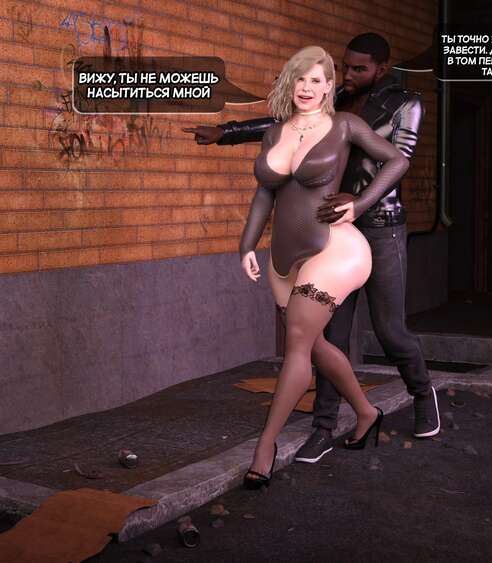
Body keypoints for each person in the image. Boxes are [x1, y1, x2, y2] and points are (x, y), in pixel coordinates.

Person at [183, 33, 439, 467]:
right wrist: (227, 132)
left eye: (359, 69)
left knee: (390, 331)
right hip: (327, 230)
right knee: (326, 337)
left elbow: (399, 160)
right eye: (346, 66)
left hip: (379, 225)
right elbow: (282, 126)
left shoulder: (405, 103)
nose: (349, 74)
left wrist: (360, 202)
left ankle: (421, 393)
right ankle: (324, 427)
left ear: (381, 68)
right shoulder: (332, 97)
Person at [231, 45, 409, 490]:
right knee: (312, 344)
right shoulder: (275, 132)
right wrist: (247, 245)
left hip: (334, 249)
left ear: (330, 85)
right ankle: (366, 412)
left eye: (316, 80)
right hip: (284, 256)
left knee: (296, 345)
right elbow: (265, 194)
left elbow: (398, 160)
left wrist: (359, 204)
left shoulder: (345, 124)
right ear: (289, 83)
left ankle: (265, 449)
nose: (307, 87)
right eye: (300, 78)